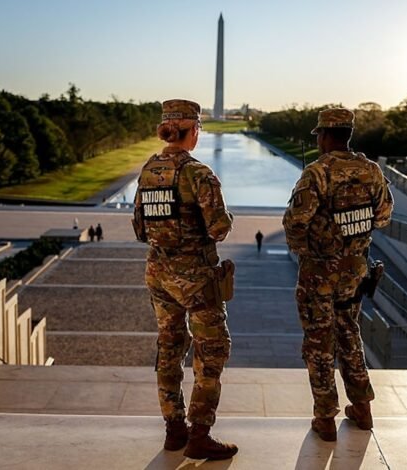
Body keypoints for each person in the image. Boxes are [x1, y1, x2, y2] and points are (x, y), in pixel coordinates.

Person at [131, 99, 238, 460]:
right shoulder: (198, 174)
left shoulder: (148, 171)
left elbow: (139, 228)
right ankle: (200, 433)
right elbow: (219, 229)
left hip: (159, 275)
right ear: (191, 131)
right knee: (211, 352)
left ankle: (173, 429)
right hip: (195, 279)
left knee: (169, 349)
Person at [282, 108, 394, 441]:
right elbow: (384, 216)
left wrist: (310, 251)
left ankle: (325, 416)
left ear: (327, 136)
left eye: (319, 136)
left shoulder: (317, 173)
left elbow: (293, 224)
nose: (318, 141)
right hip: (355, 270)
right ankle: (362, 407)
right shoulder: (371, 171)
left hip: (320, 271)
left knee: (319, 341)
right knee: (349, 333)